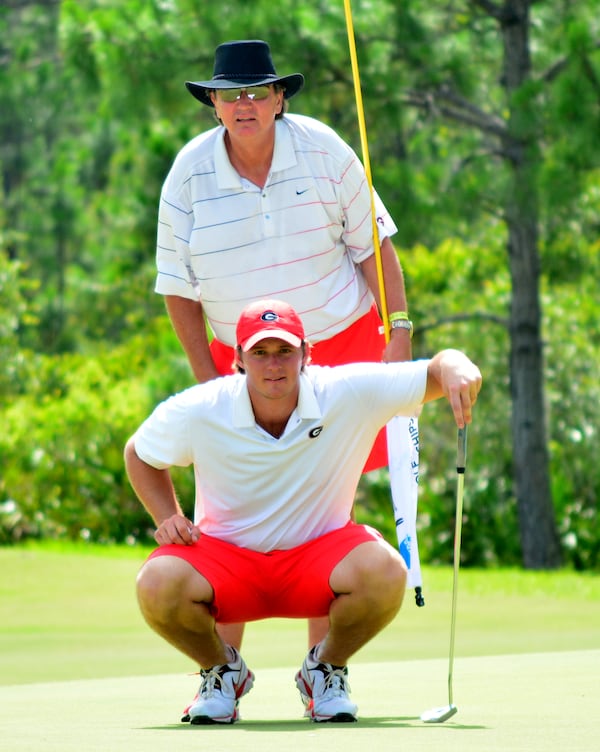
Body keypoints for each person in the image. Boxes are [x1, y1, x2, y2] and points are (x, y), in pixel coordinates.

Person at [155, 38, 413, 650]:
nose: (243, 105)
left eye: (256, 93)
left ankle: (325, 670)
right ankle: (221, 674)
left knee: (327, 509)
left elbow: (376, 249)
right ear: (213, 104)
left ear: (277, 99)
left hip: (338, 341)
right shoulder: (188, 174)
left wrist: (398, 331)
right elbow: (177, 289)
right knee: (227, 510)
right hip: (239, 357)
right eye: (230, 94)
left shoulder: (324, 150)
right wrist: (207, 380)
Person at [124, 299, 482, 725]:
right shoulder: (202, 406)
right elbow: (140, 453)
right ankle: (221, 673)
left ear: (306, 353)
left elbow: (433, 373)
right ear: (238, 358)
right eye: (259, 352)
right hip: (226, 564)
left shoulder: (346, 390)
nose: (273, 365)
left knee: (386, 571)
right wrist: (167, 516)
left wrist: (455, 362)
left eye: (284, 352)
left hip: (318, 564)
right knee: (156, 583)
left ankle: (324, 671)